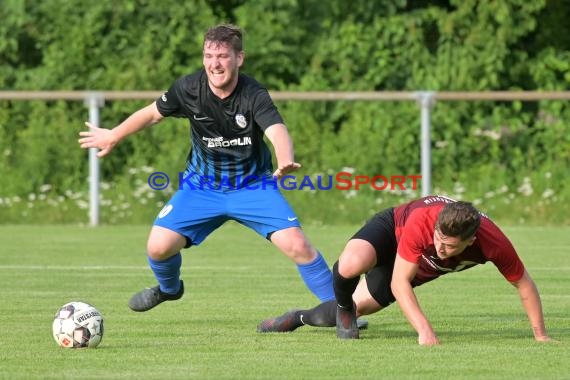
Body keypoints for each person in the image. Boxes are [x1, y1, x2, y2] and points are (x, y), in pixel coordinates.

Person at [78, 24, 336, 312]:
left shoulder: (253, 93)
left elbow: (276, 129)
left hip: (251, 187)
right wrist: (114, 134)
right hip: (202, 187)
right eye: (208, 55)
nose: (215, 63)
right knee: (158, 247)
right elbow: (152, 114)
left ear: (239, 58)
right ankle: (170, 289)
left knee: (299, 246)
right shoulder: (188, 88)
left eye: (223, 56)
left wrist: (284, 157)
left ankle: (342, 311)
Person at [257, 195, 552, 345]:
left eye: (450, 247)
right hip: (393, 230)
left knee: (361, 307)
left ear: (471, 241)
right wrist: (424, 331)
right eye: (439, 240)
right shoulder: (424, 221)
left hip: (416, 264)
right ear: (435, 227)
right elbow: (401, 283)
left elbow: (523, 284)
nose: (441, 249)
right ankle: (344, 309)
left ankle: (297, 317)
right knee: (350, 265)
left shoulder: (493, 243)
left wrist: (540, 335)